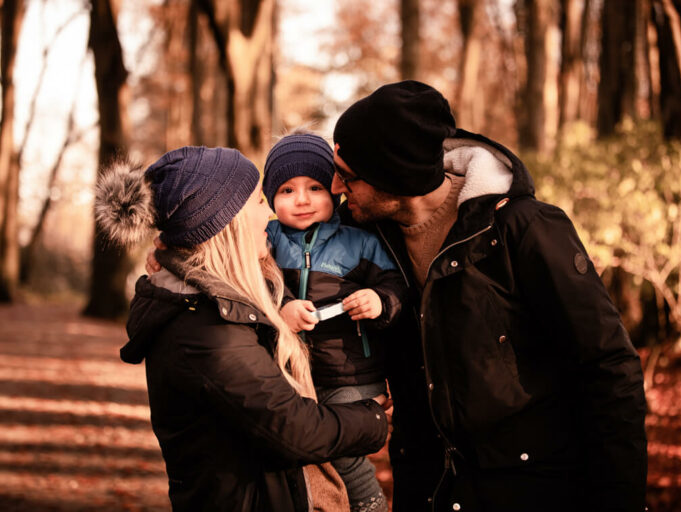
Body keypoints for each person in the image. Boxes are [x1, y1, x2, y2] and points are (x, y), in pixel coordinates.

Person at [331, 81, 648, 511]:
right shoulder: (368, 244)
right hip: (428, 490)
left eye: (347, 175)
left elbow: (608, 365)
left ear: (394, 176)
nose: (334, 187)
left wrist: (619, 499)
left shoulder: (522, 230)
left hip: (531, 491)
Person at [94, 146, 390, 512]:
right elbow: (294, 428)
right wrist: (374, 416)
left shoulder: (228, 301)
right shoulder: (207, 330)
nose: (269, 212)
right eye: (257, 200)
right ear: (227, 223)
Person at [262, 132, 406, 512]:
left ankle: (370, 503)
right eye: (287, 191)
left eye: (315, 187)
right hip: (296, 371)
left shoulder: (359, 241)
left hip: (353, 373)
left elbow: (396, 286)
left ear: (336, 190)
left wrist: (379, 301)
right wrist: (285, 307)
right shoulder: (267, 241)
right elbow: (254, 284)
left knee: (340, 449)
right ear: (270, 199)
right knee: (303, 448)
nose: (303, 200)